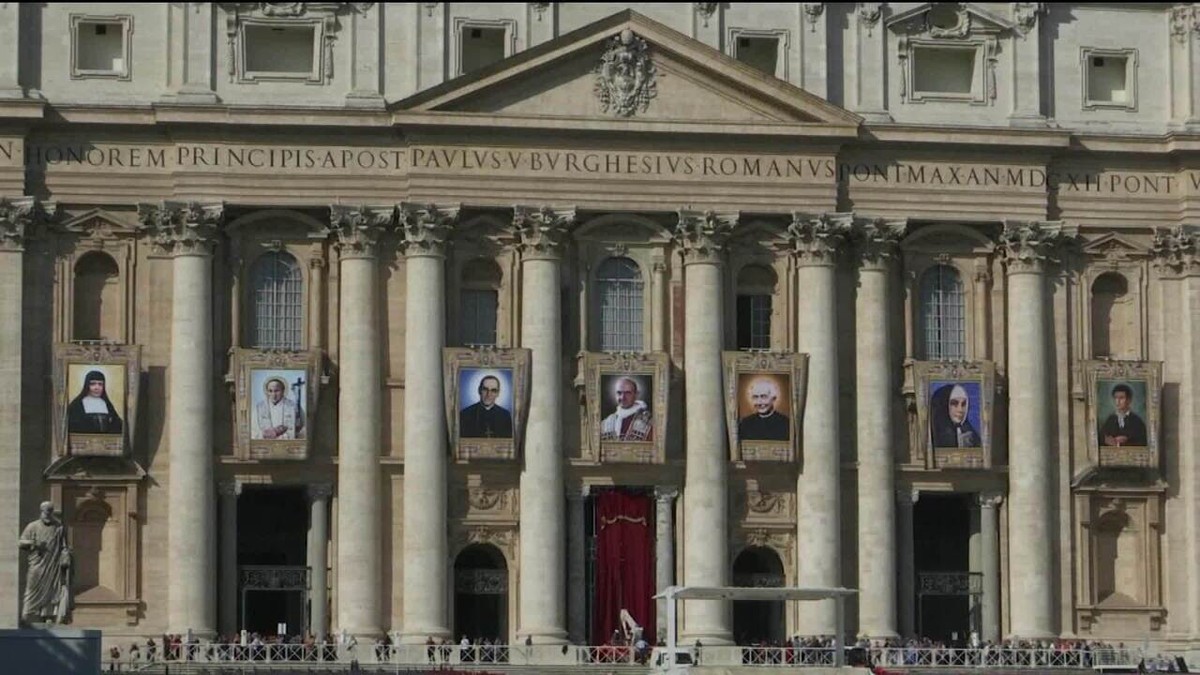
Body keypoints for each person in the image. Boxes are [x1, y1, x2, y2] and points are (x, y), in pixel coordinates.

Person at [18, 501, 71, 624]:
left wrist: (65, 555)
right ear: (41, 511)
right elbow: (21, 542)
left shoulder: (59, 527)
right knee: (31, 589)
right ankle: (27, 614)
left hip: (53, 564)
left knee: (52, 589)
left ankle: (48, 615)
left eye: (50, 511)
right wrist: (33, 543)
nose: (47, 514)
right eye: (46, 511)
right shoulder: (33, 526)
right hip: (37, 564)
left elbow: (64, 546)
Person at [67, 369, 123, 434]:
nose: (97, 387)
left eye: (100, 384)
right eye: (93, 384)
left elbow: (118, 426)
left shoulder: (107, 404)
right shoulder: (76, 405)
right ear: (87, 385)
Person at [600, 377, 654, 441]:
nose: (623, 397)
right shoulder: (605, 423)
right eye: (619, 393)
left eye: (627, 393)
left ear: (636, 394)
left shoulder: (649, 422)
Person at [930, 383, 980, 448]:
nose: (960, 410)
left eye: (963, 404)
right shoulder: (933, 436)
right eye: (954, 403)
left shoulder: (971, 436)